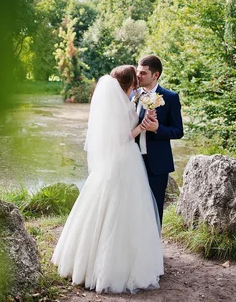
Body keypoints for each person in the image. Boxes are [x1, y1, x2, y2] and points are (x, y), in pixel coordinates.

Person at [51, 65, 163, 294]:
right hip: (125, 161)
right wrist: (140, 127)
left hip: (113, 162)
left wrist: (146, 118)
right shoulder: (122, 106)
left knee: (105, 206)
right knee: (125, 210)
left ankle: (86, 263)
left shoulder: (118, 102)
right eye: (135, 81)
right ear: (131, 84)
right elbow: (123, 136)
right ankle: (117, 268)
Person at [135, 55, 184, 226]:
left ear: (155, 75)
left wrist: (157, 129)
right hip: (132, 160)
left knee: (155, 207)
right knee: (133, 206)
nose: (138, 76)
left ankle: (153, 249)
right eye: (137, 72)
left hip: (157, 163)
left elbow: (178, 131)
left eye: (142, 73)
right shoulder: (132, 95)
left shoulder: (170, 98)